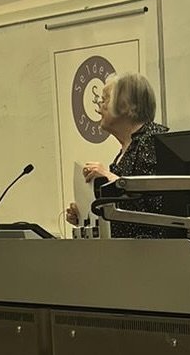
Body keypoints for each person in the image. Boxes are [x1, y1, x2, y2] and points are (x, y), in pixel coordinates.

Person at [65, 72, 173, 238]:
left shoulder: (153, 141)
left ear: (127, 105)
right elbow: (125, 212)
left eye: (105, 99)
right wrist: (87, 214)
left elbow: (157, 211)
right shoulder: (127, 150)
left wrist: (109, 177)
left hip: (151, 255)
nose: (99, 106)